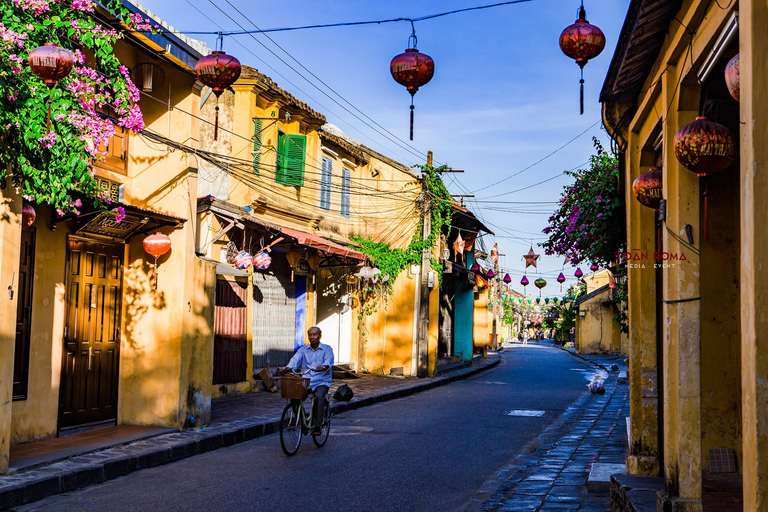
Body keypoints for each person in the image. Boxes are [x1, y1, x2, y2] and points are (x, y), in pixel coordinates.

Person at [281, 326, 334, 435]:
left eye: (314, 334)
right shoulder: (303, 349)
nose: (312, 337)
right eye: (310, 334)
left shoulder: (327, 349)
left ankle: (317, 426)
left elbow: (328, 361)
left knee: (319, 397)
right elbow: (295, 359)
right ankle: (303, 421)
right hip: (306, 380)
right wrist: (288, 367)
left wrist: (324, 366)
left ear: (320, 336)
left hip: (321, 381)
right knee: (295, 397)